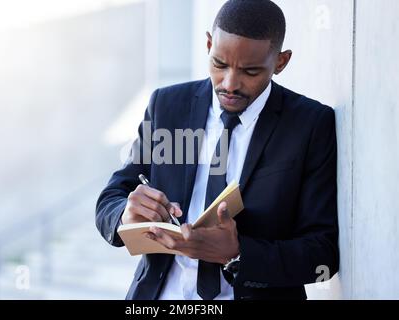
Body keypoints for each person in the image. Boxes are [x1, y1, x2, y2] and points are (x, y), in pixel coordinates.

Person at [96, 0, 339, 300]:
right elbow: (110, 200)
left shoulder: (310, 125)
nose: (230, 83)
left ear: (281, 62)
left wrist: (238, 254)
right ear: (209, 44)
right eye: (219, 64)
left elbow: (323, 254)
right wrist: (127, 214)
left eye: (250, 71)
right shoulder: (168, 106)